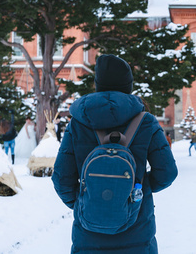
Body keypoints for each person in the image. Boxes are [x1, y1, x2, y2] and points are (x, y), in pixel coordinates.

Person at [52, 54, 178, 253]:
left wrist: (86, 200)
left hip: (88, 237)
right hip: (138, 233)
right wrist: (135, 191)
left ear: (97, 84)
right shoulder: (146, 122)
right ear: (128, 85)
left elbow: (61, 178)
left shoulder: (77, 122)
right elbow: (167, 172)